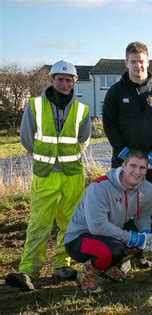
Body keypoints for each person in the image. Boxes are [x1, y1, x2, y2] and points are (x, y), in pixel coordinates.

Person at [5, 60, 91, 291]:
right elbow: (26, 138)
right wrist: (47, 158)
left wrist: (64, 158)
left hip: (72, 174)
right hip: (45, 174)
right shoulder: (34, 106)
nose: (64, 84)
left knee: (70, 222)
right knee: (39, 222)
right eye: (60, 79)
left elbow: (83, 140)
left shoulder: (82, 110)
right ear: (52, 80)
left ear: (74, 82)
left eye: (68, 80)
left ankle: (62, 264)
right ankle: (28, 269)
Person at [64, 150, 152, 294]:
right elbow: (97, 227)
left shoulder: (148, 188)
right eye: (132, 166)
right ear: (123, 166)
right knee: (114, 250)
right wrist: (132, 238)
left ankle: (109, 267)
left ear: (147, 170)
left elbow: (144, 216)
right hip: (80, 238)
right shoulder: (99, 187)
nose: (137, 172)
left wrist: (145, 234)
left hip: (112, 231)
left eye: (142, 168)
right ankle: (87, 274)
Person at [103, 41, 152, 203]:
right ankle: (122, 229)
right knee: (120, 203)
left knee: (148, 202)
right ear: (126, 63)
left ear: (148, 62)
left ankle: (145, 229)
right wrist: (124, 153)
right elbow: (109, 124)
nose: (137, 65)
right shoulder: (115, 92)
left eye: (141, 61)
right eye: (133, 61)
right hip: (123, 160)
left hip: (151, 162)